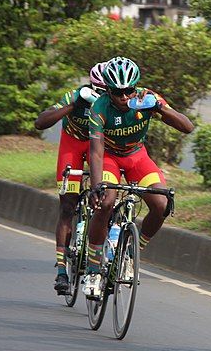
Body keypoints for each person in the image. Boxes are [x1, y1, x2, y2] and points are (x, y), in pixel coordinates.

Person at [82, 57, 194, 298]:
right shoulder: (99, 108)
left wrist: (159, 108)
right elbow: (96, 151)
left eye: (128, 91)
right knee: (106, 203)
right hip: (110, 157)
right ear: (108, 90)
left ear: (136, 87)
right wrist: (96, 185)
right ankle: (93, 270)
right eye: (117, 92)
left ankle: (132, 252)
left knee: (161, 204)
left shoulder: (145, 98)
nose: (124, 97)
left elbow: (187, 127)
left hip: (137, 156)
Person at [34, 62, 108, 295]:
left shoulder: (115, 102)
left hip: (101, 145)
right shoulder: (76, 96)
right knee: (68, 205)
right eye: (101, 91)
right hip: (74, 144)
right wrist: (74, 105)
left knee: (108, 195)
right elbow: (41, 121)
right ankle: (62, 270)